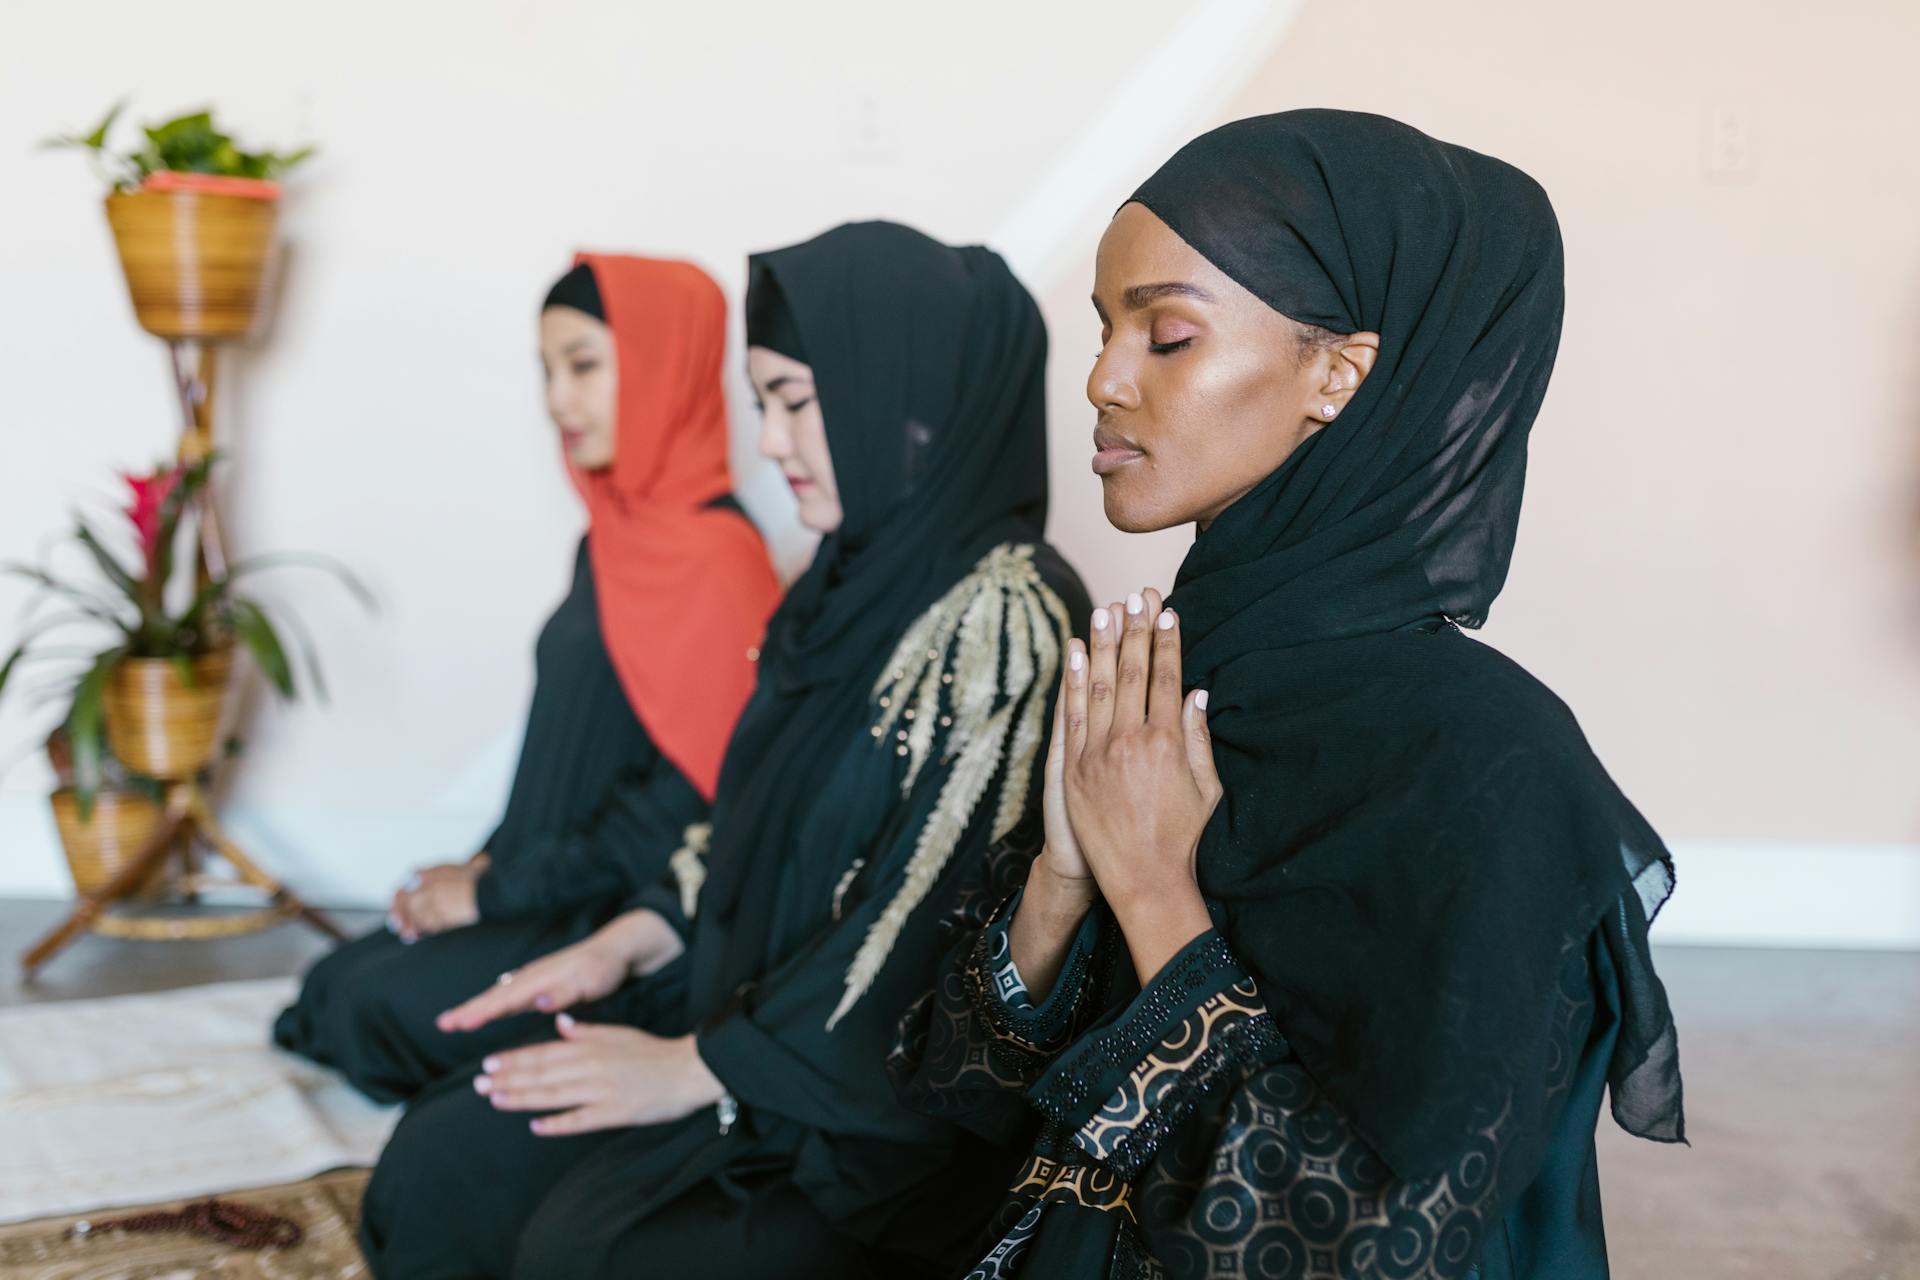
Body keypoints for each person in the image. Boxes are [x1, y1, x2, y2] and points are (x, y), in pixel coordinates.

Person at [894, 110, 1686, 1279]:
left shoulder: (1486, 759)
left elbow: (1368, 1243)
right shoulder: (1170, 672)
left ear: (1337, 374)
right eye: (1104, 329)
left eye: (1165, 334)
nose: (1104, 380)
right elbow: (964, 1091)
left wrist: (1158, 890)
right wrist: (1066, 877)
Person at [357, 221, 1092, 1279]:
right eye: (762, 405)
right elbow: (755, 817)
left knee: (581, 1248)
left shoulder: (1006, 611)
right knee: (442, 1158)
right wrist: (638, 933)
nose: (776, 442)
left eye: (797, 401)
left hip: (862, 1122)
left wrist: (699, 1065)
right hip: (743, 1024)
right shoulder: (843, 588)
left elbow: (925, 925)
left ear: (908, 394)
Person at [274, 256, 780, 1101]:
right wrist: (481, 874)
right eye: (547, 369)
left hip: (619, 919)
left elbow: (693, 813)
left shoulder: (717, 561)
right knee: (329, 988)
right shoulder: (611, 539)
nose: (557, 400)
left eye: (584, 364)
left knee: (371, 1011)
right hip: (539, 883)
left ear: (664, 366)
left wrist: (493, 893)